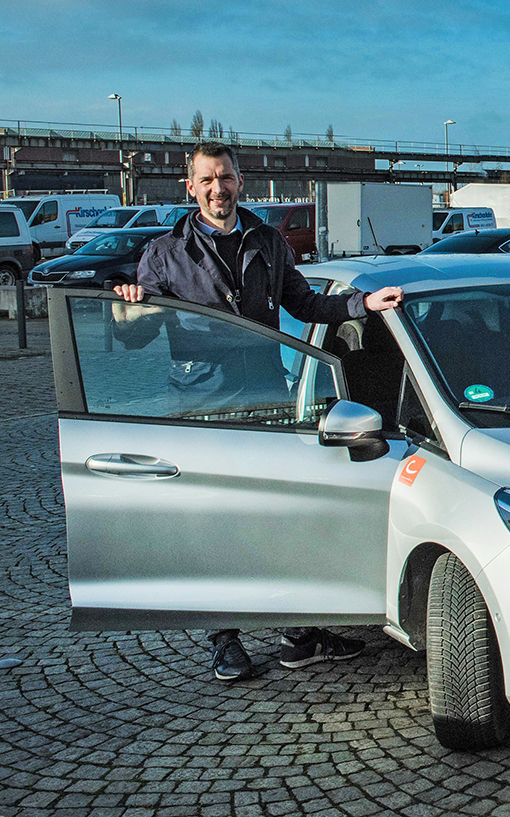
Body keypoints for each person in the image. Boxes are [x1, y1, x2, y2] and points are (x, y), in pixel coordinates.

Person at [113, 142, 404, 682]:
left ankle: (299, 632)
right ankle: (224, 639)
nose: (217, 188)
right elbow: (140, 330)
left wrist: (362, 305)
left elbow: (307, 305)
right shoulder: (165, 252)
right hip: (203, 402)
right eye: (207, 180)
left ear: (240, 181)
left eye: (225, 177)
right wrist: (127, 314)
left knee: (283, 513)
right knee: (216, 520)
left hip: (269, 398)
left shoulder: (267, 241)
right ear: (191, 188)